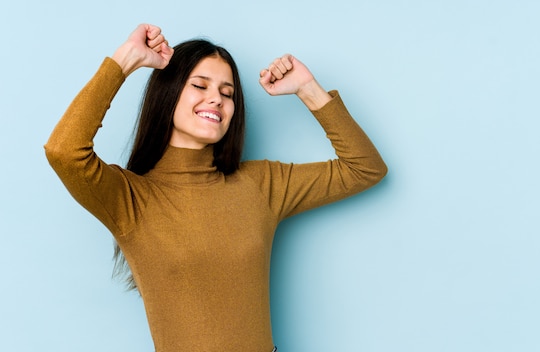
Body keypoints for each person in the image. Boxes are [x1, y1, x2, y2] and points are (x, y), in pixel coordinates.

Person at [45, 24, 387, 352]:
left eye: (227, 93)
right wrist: (125, 60)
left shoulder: (261, 184)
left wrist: (308, 89)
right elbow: (64, 151)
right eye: (200, 86)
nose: (217, 100)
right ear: (169, 93)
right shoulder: (131, 200)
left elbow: (365, 168)